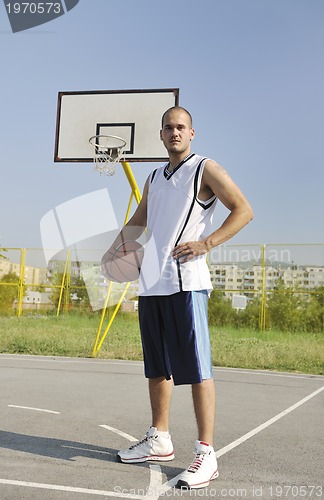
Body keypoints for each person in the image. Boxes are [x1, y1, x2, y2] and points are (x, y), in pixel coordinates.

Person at [104, 106, 253, 490]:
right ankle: (160, 438)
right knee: (157, 366)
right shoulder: (154, 177)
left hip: (186, 281)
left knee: (197, 368)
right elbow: (139, 221)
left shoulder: (205, 169)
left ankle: (206, 453)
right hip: (152, 282)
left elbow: (244, 210)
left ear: (192, 133)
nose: (174, 132)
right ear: (161, 134)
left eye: (181, 127)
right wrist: (116, 249)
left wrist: (207, 243)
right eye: (168, 127)